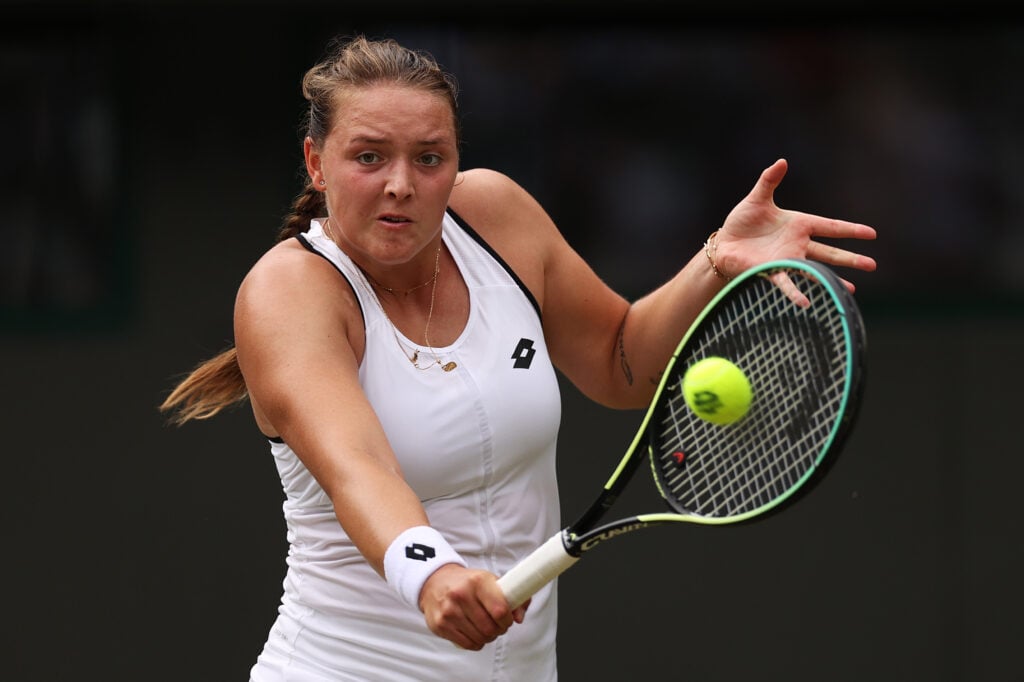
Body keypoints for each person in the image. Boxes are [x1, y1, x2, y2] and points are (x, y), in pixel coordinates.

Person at [160, 34, 877, 681]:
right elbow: (360, 467)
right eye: (369, 156)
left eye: (429, 158)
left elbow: (621, 361)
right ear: (318, 162)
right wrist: (432, 575)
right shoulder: (289, 291)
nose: (401, 184)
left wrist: (715, 260)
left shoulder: (495, 217)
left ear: (455, 163)